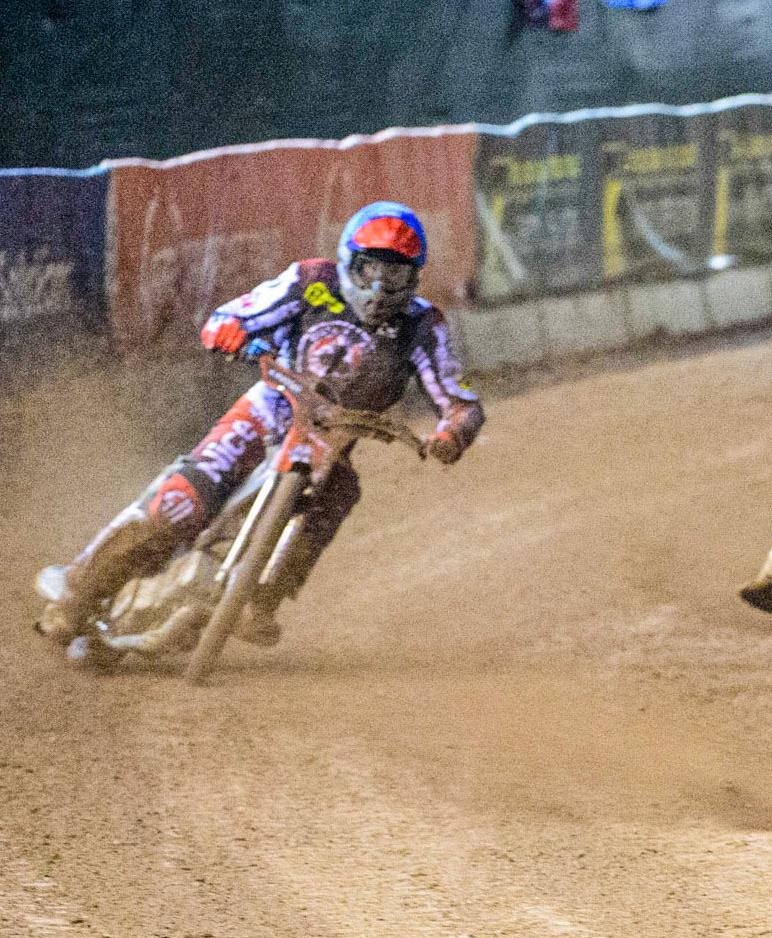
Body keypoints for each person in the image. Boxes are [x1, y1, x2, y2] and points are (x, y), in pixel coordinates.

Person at [36, 201, 485, 649]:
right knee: (183, 500)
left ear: (415, 277)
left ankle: (261, 601)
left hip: (335, 438)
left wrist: (452, 434)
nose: (382, 286)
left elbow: (460, 400)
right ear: (350, 262)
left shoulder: (424, 326)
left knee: (341, 492)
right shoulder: (311, 282)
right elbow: (233, 315)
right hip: (270, 407)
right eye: (371, 270)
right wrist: (229, 330)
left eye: (397, 275)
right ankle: (80, 590)